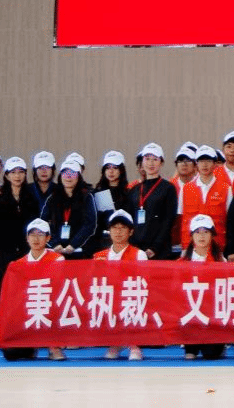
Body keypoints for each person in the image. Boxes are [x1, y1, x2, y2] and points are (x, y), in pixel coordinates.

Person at [1, 218, 67, 362]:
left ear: (48, 238)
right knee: (9, 352)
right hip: (28, 310)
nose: (36, 239)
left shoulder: (57, 259)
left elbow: (56, 286)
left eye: (40, 235)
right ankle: (30, 346)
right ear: (27, 238)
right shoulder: (19, 264)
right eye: (32, 235)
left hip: (49, 304)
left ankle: (54, 346)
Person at [0, 156, 38, 326]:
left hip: (25, 250)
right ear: (6, 175)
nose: (17, 176)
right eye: (13, 172)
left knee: (24, 290)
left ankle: (22, 327)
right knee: (2, 290)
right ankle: (0, 328)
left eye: (21, 172)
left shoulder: (31, 196)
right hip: (4, 250)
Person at [95, 209, 146, 360]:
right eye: (115, 227)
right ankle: (115, 342)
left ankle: (134, 344)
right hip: (109, 297)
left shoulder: (139, 254)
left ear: (131, 232)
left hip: (131, 296)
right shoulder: (99, 256)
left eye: (123, 228)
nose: (118, 232)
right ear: (109, 231)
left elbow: (144, 282)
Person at [180, 214, 225, 360]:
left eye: (206, 232)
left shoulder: (221, 261)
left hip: (212, 317)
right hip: (191, 314)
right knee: (190, 355)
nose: (202, 236)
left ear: (212, 235)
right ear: (191, 236)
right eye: (198, 232)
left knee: (211, 354)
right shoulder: (182, 262)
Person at [127, 142, 177, 260]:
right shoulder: (134, 190)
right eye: (147, 159)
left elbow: (168, 220)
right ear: (142, 162)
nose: (151, 163)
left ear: (161, 163)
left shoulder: (168, 188)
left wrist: (155, 247)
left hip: (159, 250)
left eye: (155, 159)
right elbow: (129, 219)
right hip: (136, 249)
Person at [43, 158, 97, 258]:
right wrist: (54, 243)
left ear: (79, 177)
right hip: (56, 250)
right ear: (60, 176)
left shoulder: (86, 197)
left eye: (72, 173)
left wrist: (73, 244)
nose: (68, 177)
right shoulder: (53, 198)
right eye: (65, 173)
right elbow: (44, 222)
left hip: (79, 249)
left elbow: (90, 224)